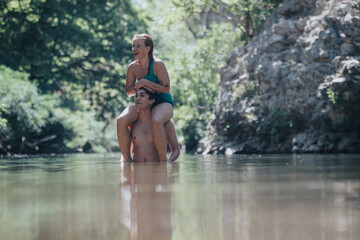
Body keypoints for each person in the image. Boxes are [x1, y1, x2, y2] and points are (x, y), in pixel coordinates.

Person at [117, 33, 176, 162]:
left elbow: (166, 88)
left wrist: (146, 83)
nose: (134, 49)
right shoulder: (132, 67)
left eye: (138, 46)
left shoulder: (158, 64)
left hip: (163, 101)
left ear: (148, 48)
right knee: (121, 120)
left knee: (156, 120)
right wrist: (140, 86)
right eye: (133, 46)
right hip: (143, 100)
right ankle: (126, 159)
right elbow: (128, 92)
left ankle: (163, 160)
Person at [129, 88, 179, 163]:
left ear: (151, 101)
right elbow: (127, 151)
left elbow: (176, 150)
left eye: (142, 96)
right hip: (137, 171)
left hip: (157, 170)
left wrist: (167, 163)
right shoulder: (132, 123)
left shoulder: (164, 123)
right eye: (136, 96)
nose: (137, 99)